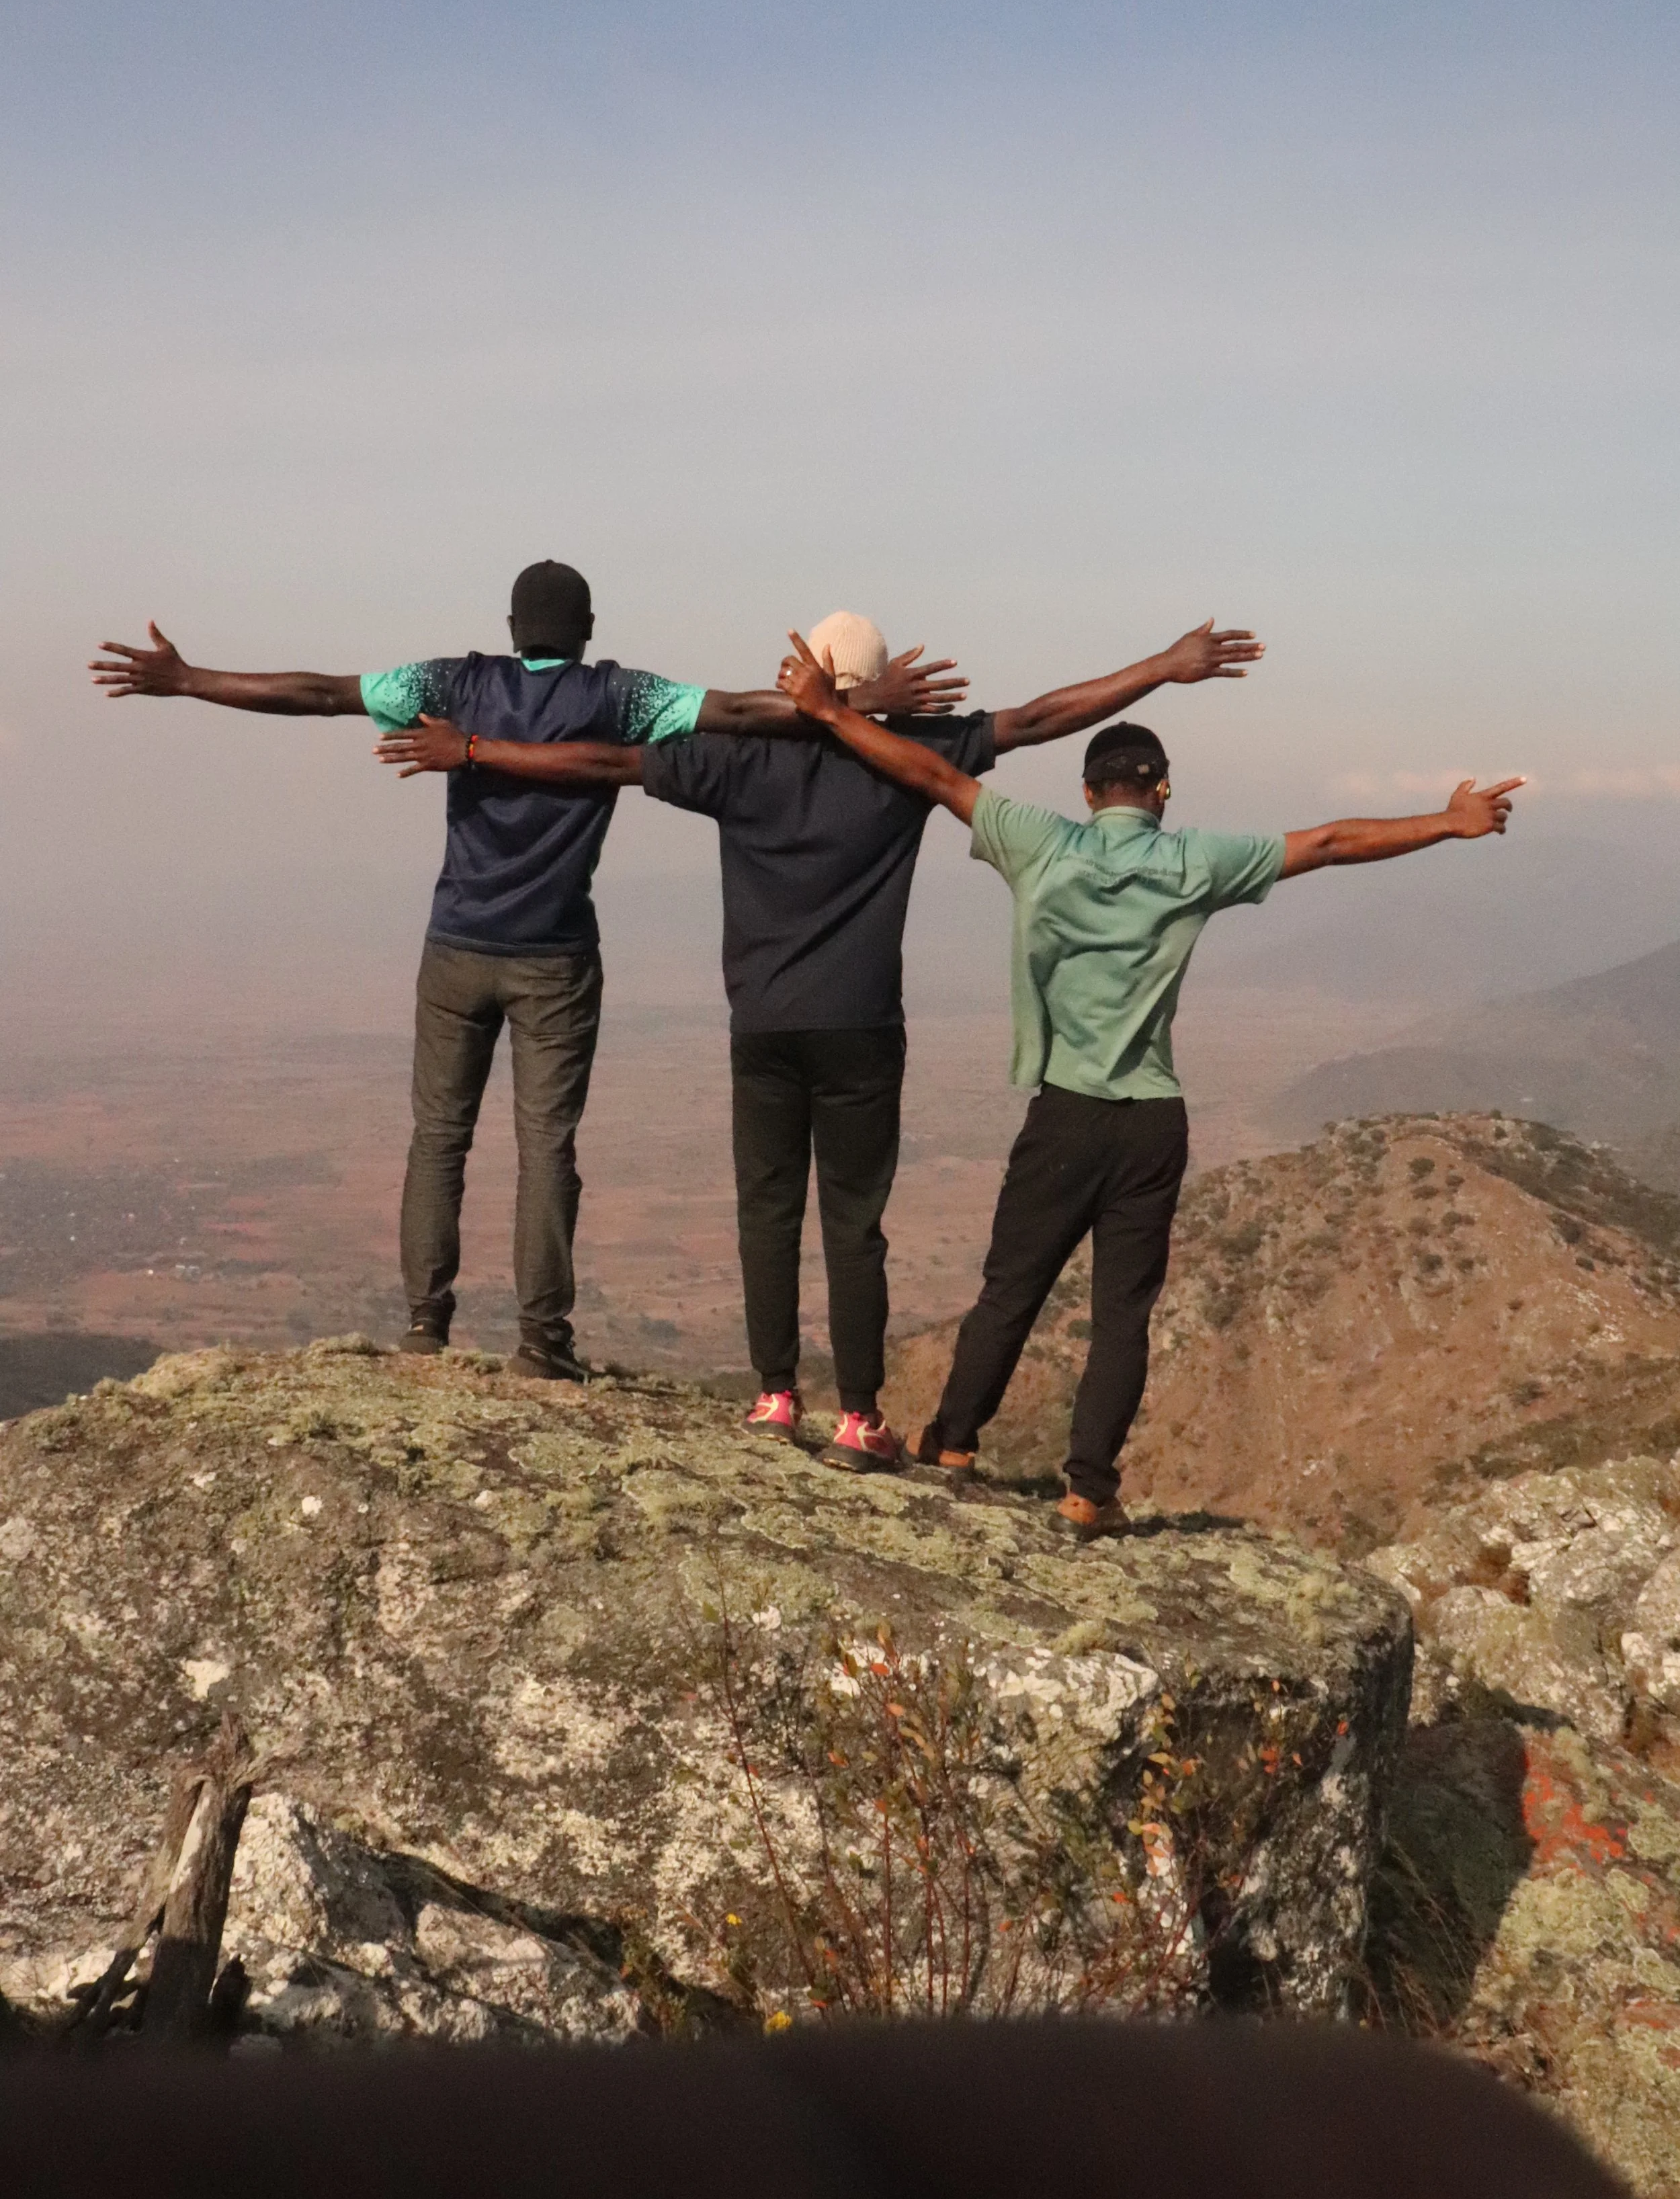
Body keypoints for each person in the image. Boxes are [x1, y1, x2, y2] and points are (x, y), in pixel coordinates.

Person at [375, 610, 1264, 1463]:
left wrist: (480, 751)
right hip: (862, 1027)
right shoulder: (909, 751)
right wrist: (1162, 666)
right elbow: (1036, 719)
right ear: (877, 690)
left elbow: (603, 761)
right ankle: (860, 1416)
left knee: (766, 1214)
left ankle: (773, 1395)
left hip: (760, 1021)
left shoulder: (736, 755)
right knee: (853, 1225)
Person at [89, 563, 958, 1380]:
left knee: (439, 1135)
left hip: (456, 944)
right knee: (546, 1145)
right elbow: (742, 711)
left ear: (511, 629)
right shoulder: (620, 696)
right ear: (586, 629)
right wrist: (857, 703)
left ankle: (427, 1325)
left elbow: (319, 693)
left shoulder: (449, 686)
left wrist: (190, 678)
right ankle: (543, 1341)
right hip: (554, 957)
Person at [780, 627, 1523, 1532]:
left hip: (1064, 1113)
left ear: (1088, 792)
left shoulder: (1039, 840)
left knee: (1010, 1289)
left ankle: (952, 1443)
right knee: (1120, 1316)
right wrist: (1449, 821)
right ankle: (1089, 1489)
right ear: (1161, 793)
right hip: (1151, 1122)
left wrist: (825, 712)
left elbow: (928, 775)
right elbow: (1328, 840)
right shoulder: (1192, 861)